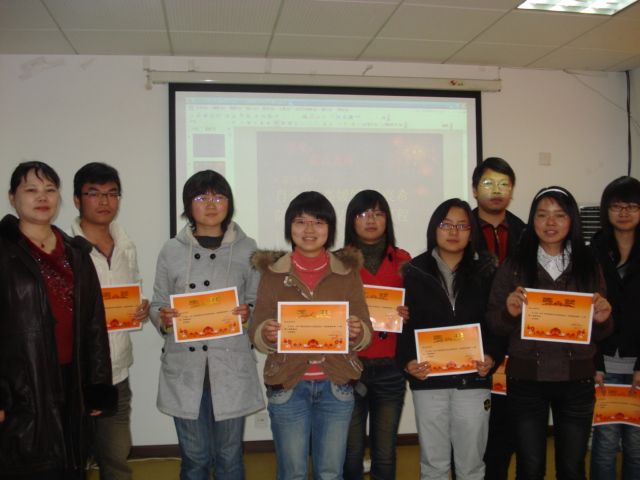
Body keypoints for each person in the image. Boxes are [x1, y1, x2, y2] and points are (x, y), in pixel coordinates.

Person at [487, 186, 613, 480]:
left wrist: (603, 319)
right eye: (542, 215)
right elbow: (495, 323)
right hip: (526, 380)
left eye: (560, 215)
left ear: (572, 220)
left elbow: (602, 331)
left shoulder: (589, 264)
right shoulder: (514, 265)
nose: (551, 222)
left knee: (572, 467)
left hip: (577, 379)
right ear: (532, 220)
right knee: (530, 467)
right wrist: (509, 312)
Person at [0, 161, 116, 480]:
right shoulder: (4, 252)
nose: (42, 197)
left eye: (50, 189)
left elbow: (94, 325)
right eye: (31, 189)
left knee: (72, 465)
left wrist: (98, 385)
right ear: (12, 197)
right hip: (22, 384)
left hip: (72, 380)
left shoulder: (76, 252)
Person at [249, 191, 373, 480]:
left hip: (336, 385)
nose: (309, 229)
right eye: (300, 221)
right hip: (288, 386)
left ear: (330, 229)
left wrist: (358, 331)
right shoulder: (272, 274)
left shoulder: (347, 273)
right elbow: (257, 330)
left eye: (318, 222)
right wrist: (266, 333)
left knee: (330, 473)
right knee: (292, 473)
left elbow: (365, 329)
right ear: (289, 227)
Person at [150, 170, 264, 480]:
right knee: (194, 460)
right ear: (188, 205)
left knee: (229, 459)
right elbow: (158, 302)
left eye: (218, 197)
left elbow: (258, 300)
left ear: (229, 203)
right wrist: (163, 318)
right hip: (185, 369)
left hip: (229, 367)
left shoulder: (248, 248)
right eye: (201, 197)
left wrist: (249, 313)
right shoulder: (171, 249)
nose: (211, 205)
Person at [395, 198, 502, 480]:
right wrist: (407, 363)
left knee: (472, 465)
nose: (454, 231)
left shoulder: (487, 271)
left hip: (473, 380)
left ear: (472, 232)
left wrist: (492, 356)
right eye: (446, 224)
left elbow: (496, 323)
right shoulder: (414, 271)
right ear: (435, 228)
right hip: (429, 381)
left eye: (462, 226)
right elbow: (406, 327)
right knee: (434, 465)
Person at [70, 163, 150, 480]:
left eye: (112, 193)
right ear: (77, 200)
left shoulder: (126, 245)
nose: (104, 201)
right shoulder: (65, 249)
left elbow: (133, 291)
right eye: (94, 193)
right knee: (71, 461)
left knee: (116, 461)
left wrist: (141, 308)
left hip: (117, 372)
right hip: (76, 376)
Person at [342, 190, 410, 480]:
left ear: (387, 219)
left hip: (390, 369)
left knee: (385, 450)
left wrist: (410, 312)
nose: (370, 220)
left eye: (377, 213)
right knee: (351, 451)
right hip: (349, 368)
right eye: (362, 214)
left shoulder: (404, 261)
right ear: (351, 221)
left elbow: (419, 310)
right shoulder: (337, 262)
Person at [471, 157, 524, 480]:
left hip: (513, 341)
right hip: (472, 340)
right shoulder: (459, 228)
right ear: (474, 189)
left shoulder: (525, 232)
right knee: (469, 428)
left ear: (512, 191)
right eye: (489, 183)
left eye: (504, 184)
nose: (496, 190)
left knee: (506, 428)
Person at [589, 176, 640, 480]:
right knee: (605, 444)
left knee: (637, 445)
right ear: (605, 210)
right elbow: (584, 315)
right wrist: (594, 362)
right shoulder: (591, 253)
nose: (624, 213)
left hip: (638, 364)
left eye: (632, 206)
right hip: (604, 362)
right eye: (617, 206)